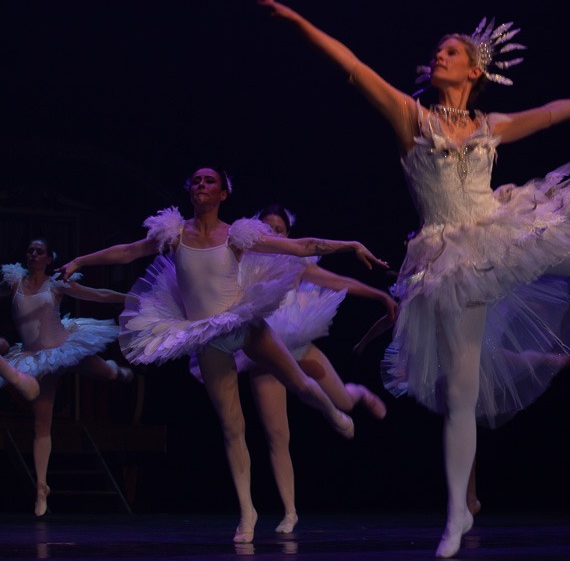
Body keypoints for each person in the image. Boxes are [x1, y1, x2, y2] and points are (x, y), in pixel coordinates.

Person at [258, 0, 570, 557]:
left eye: (449, 51)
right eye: (437, 51)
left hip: (493, 226)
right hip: (446, 256)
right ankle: (457, 515)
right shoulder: (412, 116)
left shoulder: (490, 124)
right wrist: (297, 20)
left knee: (562, 251)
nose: (438, 56)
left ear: (474, 69)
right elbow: (352, 67)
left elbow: (550, 113)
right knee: (462, 391)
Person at [57, 166, 389, 543]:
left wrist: (349, 245)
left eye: (209, 181)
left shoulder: (236, 235)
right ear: (190, 191)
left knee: (298, 382)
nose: (201, 185)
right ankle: (247, 511)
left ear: (223, 194)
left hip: (243, 321)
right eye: (196, 181)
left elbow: (302, 246)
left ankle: (332, 411)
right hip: (207, 335)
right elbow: (127, 252)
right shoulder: (175, 233)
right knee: (233, 427)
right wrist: (80, 261)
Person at [189, 203, 398, 534]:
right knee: (277, 436)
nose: (273, 233)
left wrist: (379, 296)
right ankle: (290, 511)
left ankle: (354, 394)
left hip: (298, 343)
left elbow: (338, 281)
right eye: (267, 227)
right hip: (262, 355)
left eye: (279, 229)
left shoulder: (295, 263)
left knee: (341, 402)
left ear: (287, 234)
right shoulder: (241, 261)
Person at [1, 238, 134, 516]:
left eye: (39, 251)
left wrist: (128, 298)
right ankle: (41, 488)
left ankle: (117, 371)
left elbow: (95, 294)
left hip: (64, 346)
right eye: (30, 250)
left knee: (104, 373)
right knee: (42, 422)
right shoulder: (13, 282)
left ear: (49, 258)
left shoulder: (57, 284)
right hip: (34, 358)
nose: (33, 254)